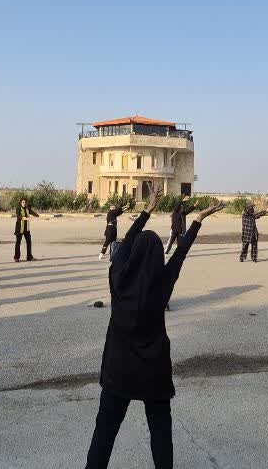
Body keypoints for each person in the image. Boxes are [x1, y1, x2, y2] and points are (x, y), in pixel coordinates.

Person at [84, 187, 224, 468]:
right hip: (153, 368)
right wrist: (198, 219)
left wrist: (147, 210)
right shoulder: (163, 282)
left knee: (105, 431)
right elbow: (181, 252)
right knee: (160, 429)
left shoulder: (117, 277)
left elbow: (126, 243)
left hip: (118, 368)